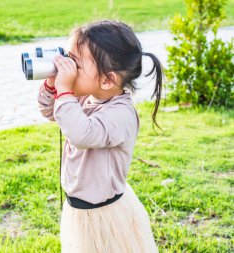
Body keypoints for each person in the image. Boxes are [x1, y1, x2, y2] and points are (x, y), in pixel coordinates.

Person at [37, 20, 162, 253]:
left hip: (107, 217)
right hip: (80, 211)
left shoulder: (121, 114)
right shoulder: (86, 97)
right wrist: (53, 85)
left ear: (107, 80)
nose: (69, 69)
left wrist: (65, 91)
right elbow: (50, 111)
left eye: (76, 64)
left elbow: (82, 134)